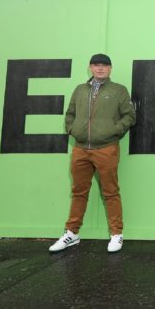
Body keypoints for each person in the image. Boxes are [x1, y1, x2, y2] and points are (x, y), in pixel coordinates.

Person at [49, 54, 136, 253]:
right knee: (79, 192)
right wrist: (73, 129)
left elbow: (130, 116)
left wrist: (113, 130)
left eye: (104, 65)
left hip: (106, 148)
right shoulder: (80, 90)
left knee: (111, 192)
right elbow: (70, 113)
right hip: (80, 149)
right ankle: (72, 233)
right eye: (96, 65)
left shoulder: (118, 90)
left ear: (110, 69)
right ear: (90, 67)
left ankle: (117, 234)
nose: (100, 69)